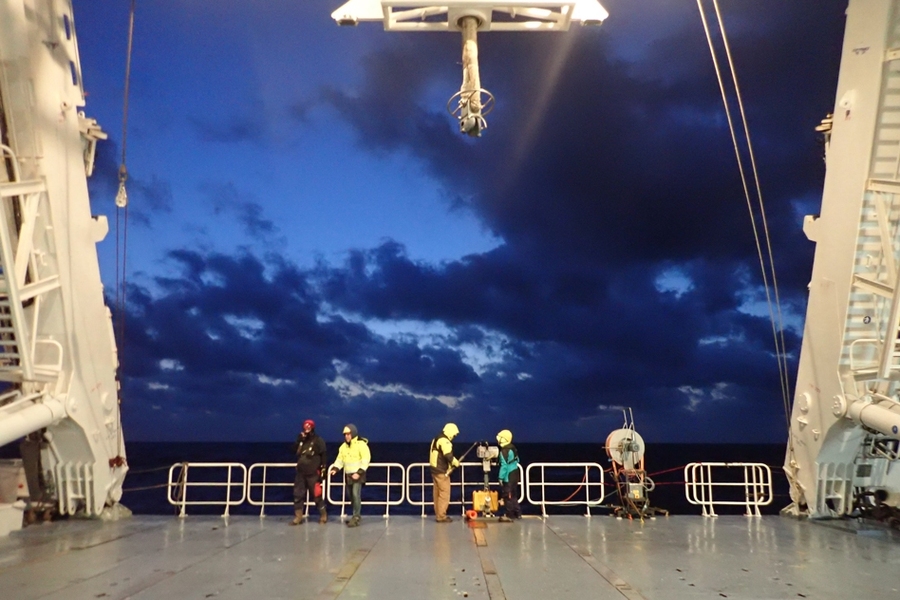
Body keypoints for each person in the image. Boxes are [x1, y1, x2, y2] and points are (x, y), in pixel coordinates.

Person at [330, 424, 370, 527]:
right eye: (345, 434)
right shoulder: (343, 447)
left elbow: (366, 459)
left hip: (358, 475)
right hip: (348, 476)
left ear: (353, 433)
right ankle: (355, 515)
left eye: (348, 434)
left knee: (356, 495)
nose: (347, 436)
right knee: (351, 496)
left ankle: (356, 517)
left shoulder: (361, 445)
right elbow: (340, 460)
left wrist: (360, 472)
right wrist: (335, 468)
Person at [290, 419, 327, 525]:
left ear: (312, 428)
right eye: (305, 426)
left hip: (313, 473)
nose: (307, 428)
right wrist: (299, 441)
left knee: (317, 495)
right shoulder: (301, 440)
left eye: (309, 426)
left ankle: (323, 516)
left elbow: (324, 455)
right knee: (298, 495)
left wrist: (323, 470)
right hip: (301, 473)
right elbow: (293, 451)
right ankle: (298, 517)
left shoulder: (318, 440)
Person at [429, 423, 460, 523]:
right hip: (441, 472)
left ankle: (438, 514)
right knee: (444, 494)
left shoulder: (436, 438)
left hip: (434, 470)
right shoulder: (445, 441)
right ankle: (441, 516)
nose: (454, 436)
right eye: (454, 434)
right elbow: (448, 455)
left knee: (436, 494)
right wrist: (455, 462)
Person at [496, 429, 521, 522]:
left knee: (508, 496)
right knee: (514, 495)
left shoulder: (504, 451)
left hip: (508, 476)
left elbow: (504, 466)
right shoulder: (513, 448)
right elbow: (517, 460)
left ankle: (510, 516)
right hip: (515, 473)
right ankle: (518, 513)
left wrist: (500, 477)